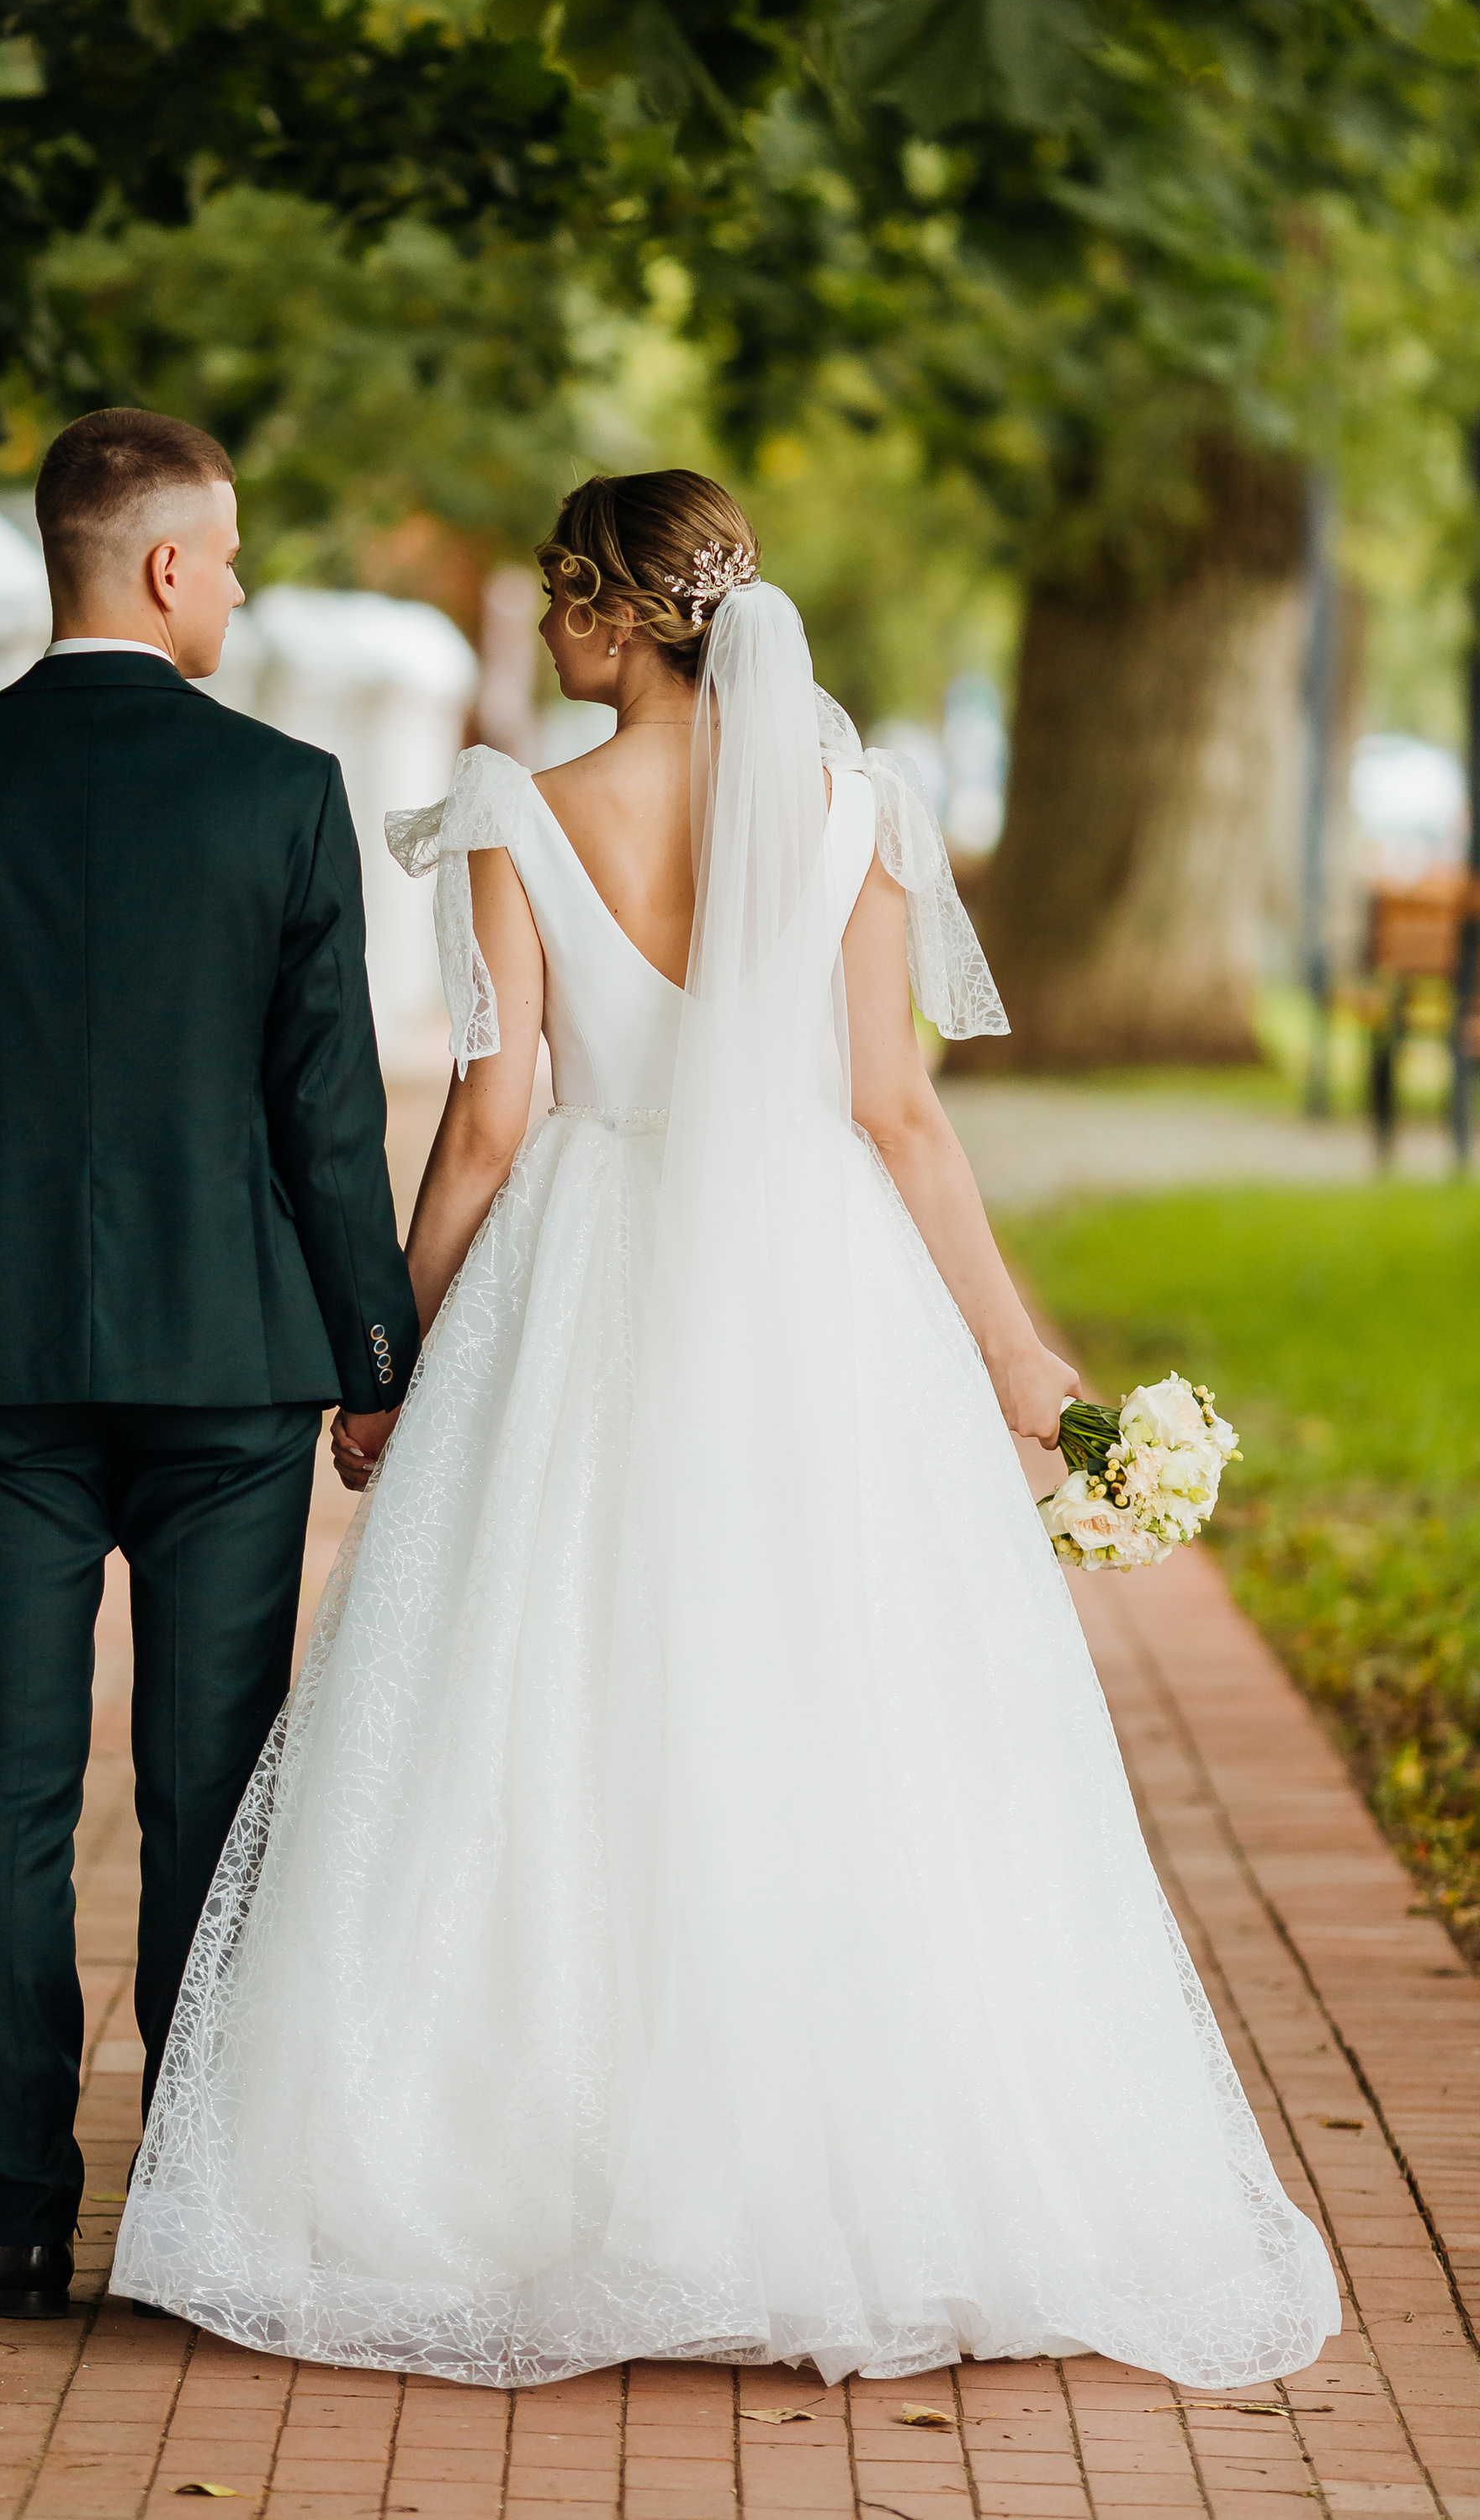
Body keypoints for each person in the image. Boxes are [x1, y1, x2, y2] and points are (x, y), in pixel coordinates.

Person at [114, 466, 1339, 2390]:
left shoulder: (519, 814)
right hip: (816, 1293)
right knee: (826, 1692)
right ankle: (840, 2175)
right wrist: (1013, 1359)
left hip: (579, 1287)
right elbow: (896, 1118)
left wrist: (390, 1353)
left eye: (559, 592)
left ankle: (528, 2167)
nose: (548, 621)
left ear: (618, 619)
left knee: (552, 1692)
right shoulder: (851, 810)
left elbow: (488, 1130)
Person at [0, 407, 418, 2322]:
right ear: (165, 567)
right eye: (228, 556)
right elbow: (327, 1120)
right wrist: (372, 1355)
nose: (237, 587)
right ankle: (180, 2206)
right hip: (228, 1367)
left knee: (4, 1795)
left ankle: (20, 2215)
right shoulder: (282, 795)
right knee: (207, 1790)